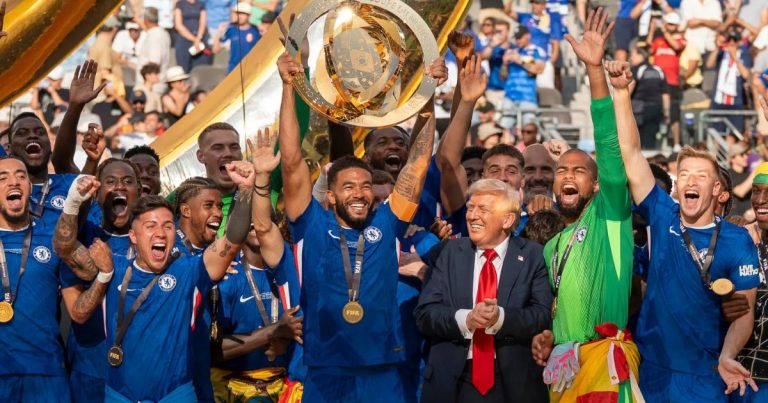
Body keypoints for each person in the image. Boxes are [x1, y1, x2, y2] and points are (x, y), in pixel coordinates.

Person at [276, 46, 439, 401]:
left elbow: (418, 164)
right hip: (325, 371)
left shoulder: (387, 223)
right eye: (348, 186)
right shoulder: (310, 223)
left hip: (383, 373)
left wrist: (427, 94)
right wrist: (288, 87)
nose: (360, 193)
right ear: (330, 196)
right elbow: (290, 161)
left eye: (366, 186)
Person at [605, 54, 760, 400]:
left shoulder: (737, 240)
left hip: (707, 375)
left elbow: (744, 312)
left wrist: (728, 355)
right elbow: (631, 153)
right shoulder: (662, 213)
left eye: (700, 176)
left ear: (717, 189)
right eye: (684, 174)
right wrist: (621, 94)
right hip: (651, 369)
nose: (690, 180)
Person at [54, 157, 255, 400]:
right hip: (120, 396)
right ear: (133, 236)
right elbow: (64, 247)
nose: (160, 233)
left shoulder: (188, 270)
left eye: (167, 226)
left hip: (175, 396)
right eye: (151, 226)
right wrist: (74, 200)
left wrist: (245, 189)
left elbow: (232, 241)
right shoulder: (113, 267)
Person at [531, 8, 639, 401]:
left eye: (579, 171)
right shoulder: (551, 246)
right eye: (561, 170)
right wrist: (549, 335)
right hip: (563, 368)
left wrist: (595, 71)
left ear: (595, 185)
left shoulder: (610, 214)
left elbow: (609, 147)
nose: (568, 175)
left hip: (604, 363)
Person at [415, 179, 551, 402]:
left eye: (483, 209)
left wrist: (501, 318)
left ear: (507, 219)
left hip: (514, 384)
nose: (472, 216)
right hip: (452, 382)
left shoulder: (533, 256)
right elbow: (425, 314)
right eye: (470, 208)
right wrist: (467, 319)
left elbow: (542, 314)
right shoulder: (447, 253)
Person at [211, 130, 303, 402]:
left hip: (288, 384)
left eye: (260, 217)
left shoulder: (294, 267)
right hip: (233, 388)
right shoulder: (226, 277)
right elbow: (211, 350)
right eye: (246, 218)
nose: (254, 222)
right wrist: (273, 332)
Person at [0, 157, 101, 401]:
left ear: (29, 187)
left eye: (21, 176)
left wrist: (104, 275)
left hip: (47, 372)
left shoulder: (53, 239)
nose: (14, 182)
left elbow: (78, 310)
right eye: (2, 178)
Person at [649, 12, 686, 151]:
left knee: (673, 112)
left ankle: (676, 143)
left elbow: (676, 46)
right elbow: (649, 47)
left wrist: (664, 32)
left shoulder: (681, 39)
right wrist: (652, 30)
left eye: (672, 24)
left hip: (671, 82)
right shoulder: (658, 40)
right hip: (656, 81)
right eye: (668, 24)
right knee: (656, 110)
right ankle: (657, 141)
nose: (670, 27)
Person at [499, 26, 546, 130]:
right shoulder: (511, 51)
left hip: (527, 98)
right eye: (516, 38)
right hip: (509, 97)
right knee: (503, 129)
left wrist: (520, 61)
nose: (518, 40)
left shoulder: (536, 51)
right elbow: (503, 77)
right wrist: (504, 64)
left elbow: (539, 69)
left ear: (528, 36)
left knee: (529, 129)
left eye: (520, 37)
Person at [630, 45, 667, 150]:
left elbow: (630, 86)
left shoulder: (637, 69)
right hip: (656, 108)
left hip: (640, 110)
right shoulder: (658, 70)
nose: (631, 58)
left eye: (633, 55)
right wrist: (666, 112)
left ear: (640, 55)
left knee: (637, 141)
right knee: (650, 140)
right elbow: (665, 94)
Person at [213, 2, 261, 73]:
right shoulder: (231, 30)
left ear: (249, 15)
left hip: (252, 69)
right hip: (234, 69)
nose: (240, 16)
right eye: (238, 13)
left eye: (243, 13)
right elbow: (215, 50)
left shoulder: (255, 30)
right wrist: (219, 33)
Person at [174, 0, 212, 73]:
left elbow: (203, 23)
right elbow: (178, 25)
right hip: (184, 41)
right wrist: (194, 39)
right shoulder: (180, 4)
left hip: (200, 41)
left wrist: (198, 38)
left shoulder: (201, 4)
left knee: (200, 70)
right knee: (183, 69)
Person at [136, 7, 171, 84]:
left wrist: (147, 86)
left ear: (146, 19)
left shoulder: (155, 36)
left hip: (152, 85)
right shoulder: (161, 33)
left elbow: (154, 63)